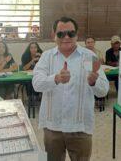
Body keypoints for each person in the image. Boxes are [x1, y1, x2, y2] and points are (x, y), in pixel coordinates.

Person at [33, 17, 109, 161]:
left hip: (80, 127)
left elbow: (103, 90)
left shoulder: (87, 57)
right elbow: (36, 84)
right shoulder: (47, 57)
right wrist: (56, 78)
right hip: (52, 126)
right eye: (61, 34)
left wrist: (94, 82)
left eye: (70, 33)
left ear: (77, 35)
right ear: (53, 35)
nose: (66, 37)